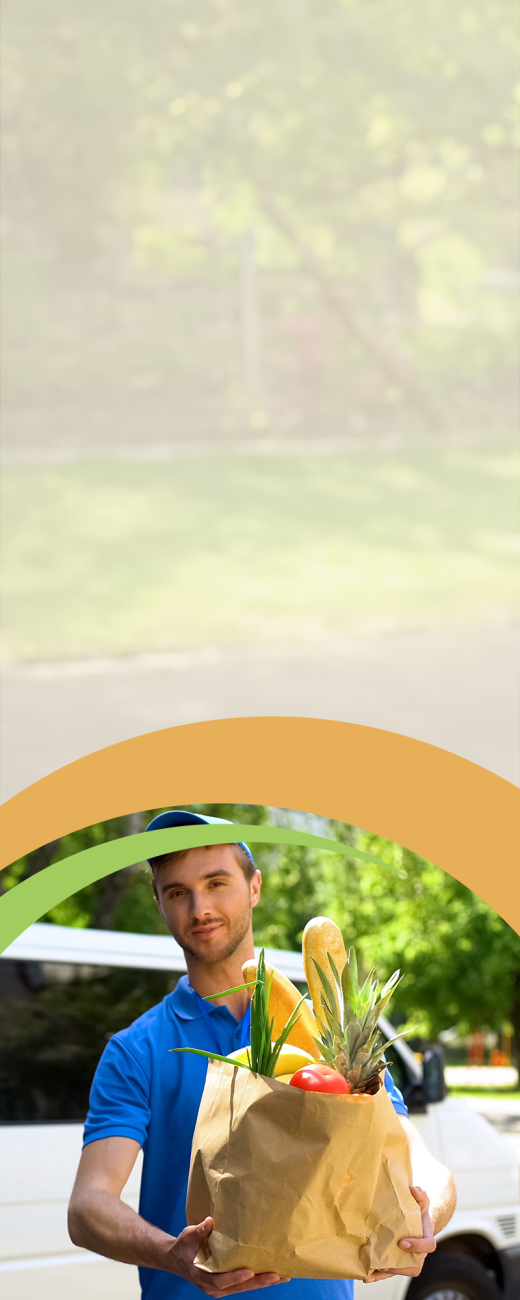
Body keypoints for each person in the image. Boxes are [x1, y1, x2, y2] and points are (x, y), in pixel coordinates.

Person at [68, 809, 456, 1299]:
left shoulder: (329, 1035)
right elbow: (88, 1205)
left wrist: (427, 1215)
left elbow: (421, 1163)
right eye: (177, 892)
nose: (199, 908)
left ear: (254, 887)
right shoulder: (137, 1050)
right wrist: (171, 1253)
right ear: (160, 904)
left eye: (216, 883)